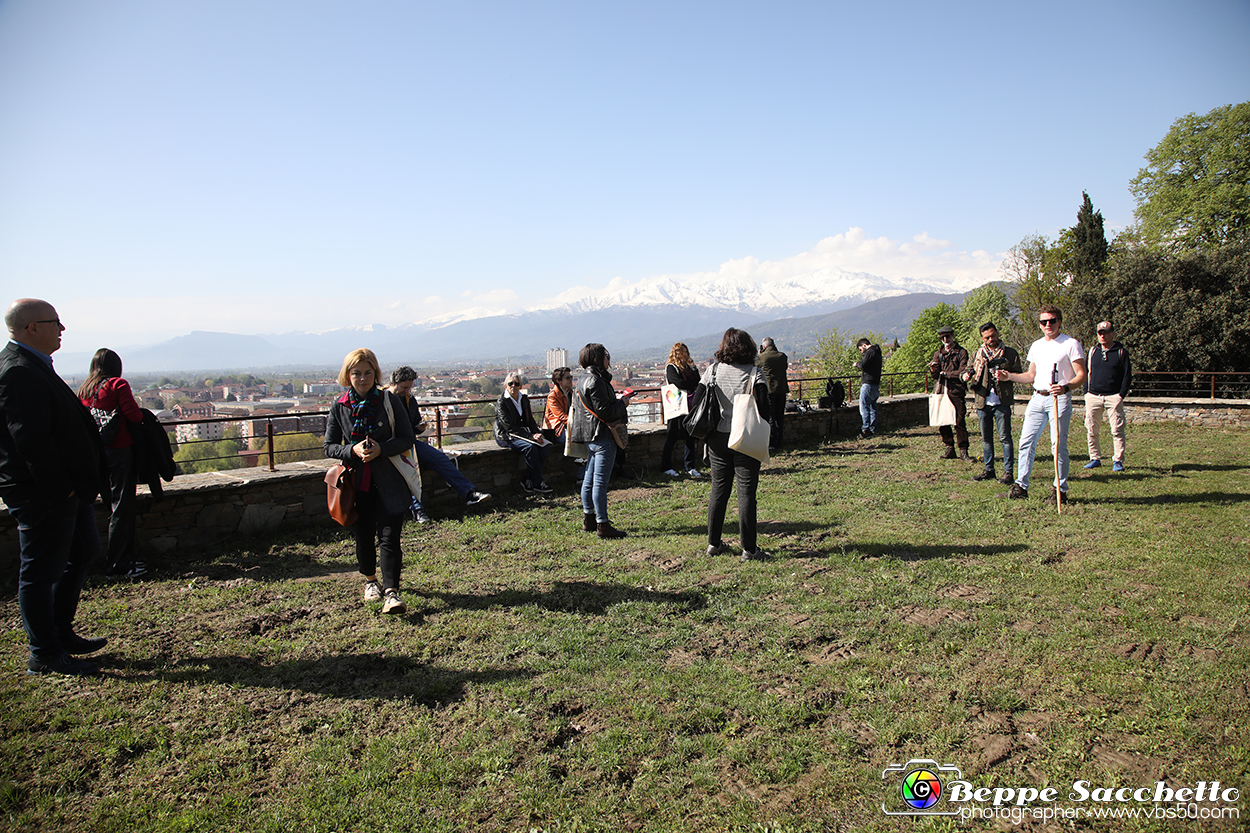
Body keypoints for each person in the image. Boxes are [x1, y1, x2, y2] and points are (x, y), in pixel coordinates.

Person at [0, 298, 108, 675]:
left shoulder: (33, 366)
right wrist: (60, 488)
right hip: (42, 493)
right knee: (41, 572)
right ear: (32, 328)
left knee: (82, 551)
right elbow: (30, 440)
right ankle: (44, 653)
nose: (61, 330)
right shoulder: (17, 371)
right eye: (55, 322)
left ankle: (61, 633)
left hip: (65, 490)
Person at [324, 348, 415, 614]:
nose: (362, 378)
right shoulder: (339, 406)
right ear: (347, 375)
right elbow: (329, 446)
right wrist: (351, 450)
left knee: (390, 537)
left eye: (367, 372)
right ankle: (370, 581)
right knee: (363, 536)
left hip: (389, 480)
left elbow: (406, 437)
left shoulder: (389, 401)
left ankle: (391, 592)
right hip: (357, 482)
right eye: (356, 373)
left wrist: (381, 449)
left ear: (375, 373)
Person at [996, 305, 1087, 503]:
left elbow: (1081, 375)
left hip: (1059, 398)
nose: (1048, 325)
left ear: (1059, 321)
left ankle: (1059, 490)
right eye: (1043, 322)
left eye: (1052, 321)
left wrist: (1066, 387)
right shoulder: (1037, 345)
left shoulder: (1070, 344)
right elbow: (1031, 375)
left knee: (1058, 445)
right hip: (1037, 398)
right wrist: (1008, 376)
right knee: (1026, 442)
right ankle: (1021, 486)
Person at [77, 348, 148, 577]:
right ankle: (119, 564)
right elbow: (134, 415)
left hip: (95, 454)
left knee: (110, 506)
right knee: (122, 508)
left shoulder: (84, 389)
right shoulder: (118, 385)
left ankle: (115, 561)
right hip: (119, 452)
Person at [703, 328, 772, 561]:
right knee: (746, 493)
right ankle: (749, 549)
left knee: (718, 490)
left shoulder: (712, 371)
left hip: (717, 438)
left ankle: (714, 543)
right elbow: (765, 410)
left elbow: (699, 401)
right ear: (748, 348)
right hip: (745, 436)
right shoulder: (755, 374)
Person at [387, 366, 489, 524]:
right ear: (394, 383)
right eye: (404, 387)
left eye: (409, 387)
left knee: (440, 458)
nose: (407, 391)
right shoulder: (382, 399)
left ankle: (469, 493)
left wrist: (419, 428)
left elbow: (413, 425)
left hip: (410, 442)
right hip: (391, 446)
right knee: (410, 468)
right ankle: (417, 510)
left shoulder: (409, 399)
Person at [568, 343, 632, 538]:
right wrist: (622, 403)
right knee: (600, 483)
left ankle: (589, 519)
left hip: (589, 436)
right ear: (598, 358)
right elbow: (605, 411)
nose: (608, 359)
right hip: (602, 435)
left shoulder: (582, 380)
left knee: (589, 480)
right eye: (606, 356)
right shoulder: (596, 381)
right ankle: (603, 525)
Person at [962, 323, 1021, 484]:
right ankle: (989, 470)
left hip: (1002, 401)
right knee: (986, 438)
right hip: (982, 401)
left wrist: (1007, 375)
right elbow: (967, 370)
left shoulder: (1009, 353)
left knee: (1005, 437)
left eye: (993, 336)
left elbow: (1020, 374)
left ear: (997, 334)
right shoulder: (977, 354)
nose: (991, 339)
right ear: (982, 338)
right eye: (987, 337)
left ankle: (1008, 472)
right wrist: (966, 375)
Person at [1084, 320, 1132, 472]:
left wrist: (1121, 395)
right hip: (1093, 396)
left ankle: (1118, 460)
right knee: (1091, 429)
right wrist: (1086, 392)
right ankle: (1095, 458)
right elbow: (1086, 372)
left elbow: (1127, 375)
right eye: (1100, 333)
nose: (1103, 336)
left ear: (1113, 334)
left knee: (1117, 430)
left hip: (1113, 397)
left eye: (1106, 333)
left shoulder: (1121, 352)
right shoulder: (1093, 352)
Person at [493, 371, 551, 493]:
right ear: (505, 386)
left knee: (544, 446)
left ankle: (527, 479)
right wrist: (531, 436)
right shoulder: (502, 402)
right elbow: (509, 427)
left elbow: (530, 420)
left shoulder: (524, 399)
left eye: (516, 383)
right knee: (531, 448)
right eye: (510, 383)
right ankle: (537, 482)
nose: (513, 386)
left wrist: (537, 433)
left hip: (523, 434)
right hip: (506, 436)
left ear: (521, 385)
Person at [928, 325, 971, 462]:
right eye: (943, 337)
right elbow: (935, 376)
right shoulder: (938, 354)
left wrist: (946, 374)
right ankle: (949, 448)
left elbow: (962, 371)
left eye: (947, 336)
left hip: (956, 391)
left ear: (953, 336)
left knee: (959, 421)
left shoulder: (961, 352)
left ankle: (963, 451)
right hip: (941, 389)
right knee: (943, 420)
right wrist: (934, 370)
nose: (945, 339)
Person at [660, 342, 702, 478]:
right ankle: (666, 466)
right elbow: (678, 383)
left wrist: (693, 367)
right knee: (671, 437)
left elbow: (698, 380)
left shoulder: (688, 368)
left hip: (688, 407)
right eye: (684, 352)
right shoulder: (671, 368)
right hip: (676, 407)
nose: (686, 354)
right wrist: (691, 385)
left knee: (690, 437)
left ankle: (690, 466)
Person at [755, 337, 788, 454]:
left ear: (763, 347)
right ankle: (779, 441)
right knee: (779, 416)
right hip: (782, 390)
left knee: (770, 417)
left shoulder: (761, 357)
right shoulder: (782, 356)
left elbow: (756, 368)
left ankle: (772, 442)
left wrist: (760, 354)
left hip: (769, 391)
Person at [855, 338, 883, 439]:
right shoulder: (877, 352)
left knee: (864, 407)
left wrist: (856, 364)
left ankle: (865, 429)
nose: (861, 352)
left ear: (864, 345)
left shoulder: (870, 352)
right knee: (873, 407)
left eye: (860, 349)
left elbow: (863, 364)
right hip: (875, 384)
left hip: (868, 384)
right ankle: (872, 429)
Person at [542, 366, 574, 447]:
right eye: (567, 378)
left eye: (571, 377)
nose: (571, 379)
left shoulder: (571, 393)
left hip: (567, 426)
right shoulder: (552, 396)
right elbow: (561, 416)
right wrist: (576, 424)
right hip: (556, 430)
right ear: (559, 381)